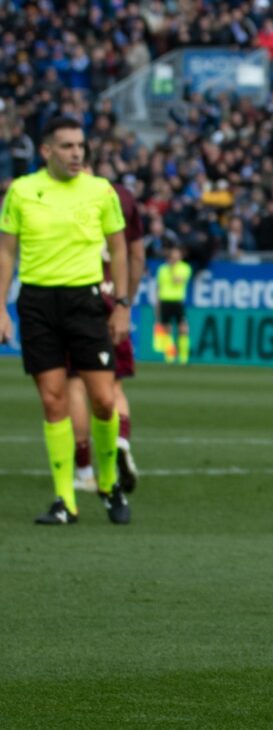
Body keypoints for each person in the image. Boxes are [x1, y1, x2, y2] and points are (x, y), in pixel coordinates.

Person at [0, 116, 132, 524]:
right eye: (68, 146)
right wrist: (0, 307)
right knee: (53, 399)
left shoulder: (100, 191)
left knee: (104, 399)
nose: (77, 153)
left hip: (85, 301)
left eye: (80, 146)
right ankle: (65, 500)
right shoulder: (22, 191)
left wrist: (122, 304)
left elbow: (119, 249)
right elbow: (6, 251)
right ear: (47, 151)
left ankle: (108, 484)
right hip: (37, 303)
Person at [70, 168, 146, 494]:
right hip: (114, 298)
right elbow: (137, 255)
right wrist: (125, 301)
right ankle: (121, 442)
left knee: (76, 384)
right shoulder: (123, 197)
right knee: (113, 385)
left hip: (78, 295)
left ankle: (85, 470)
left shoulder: (65, 194)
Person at [155, 245, 192, 365]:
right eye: (173, 255)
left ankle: (183, 358)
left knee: (183, 328)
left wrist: (172, 268)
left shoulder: (185, 268)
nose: (175, 258)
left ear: (180, 256)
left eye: (177, 255)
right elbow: (158, 288)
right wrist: (157, 305)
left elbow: (177, 281)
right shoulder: (162, 269)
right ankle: (170, 357)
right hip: (165, 301)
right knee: (167, 329)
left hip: (177, 301)